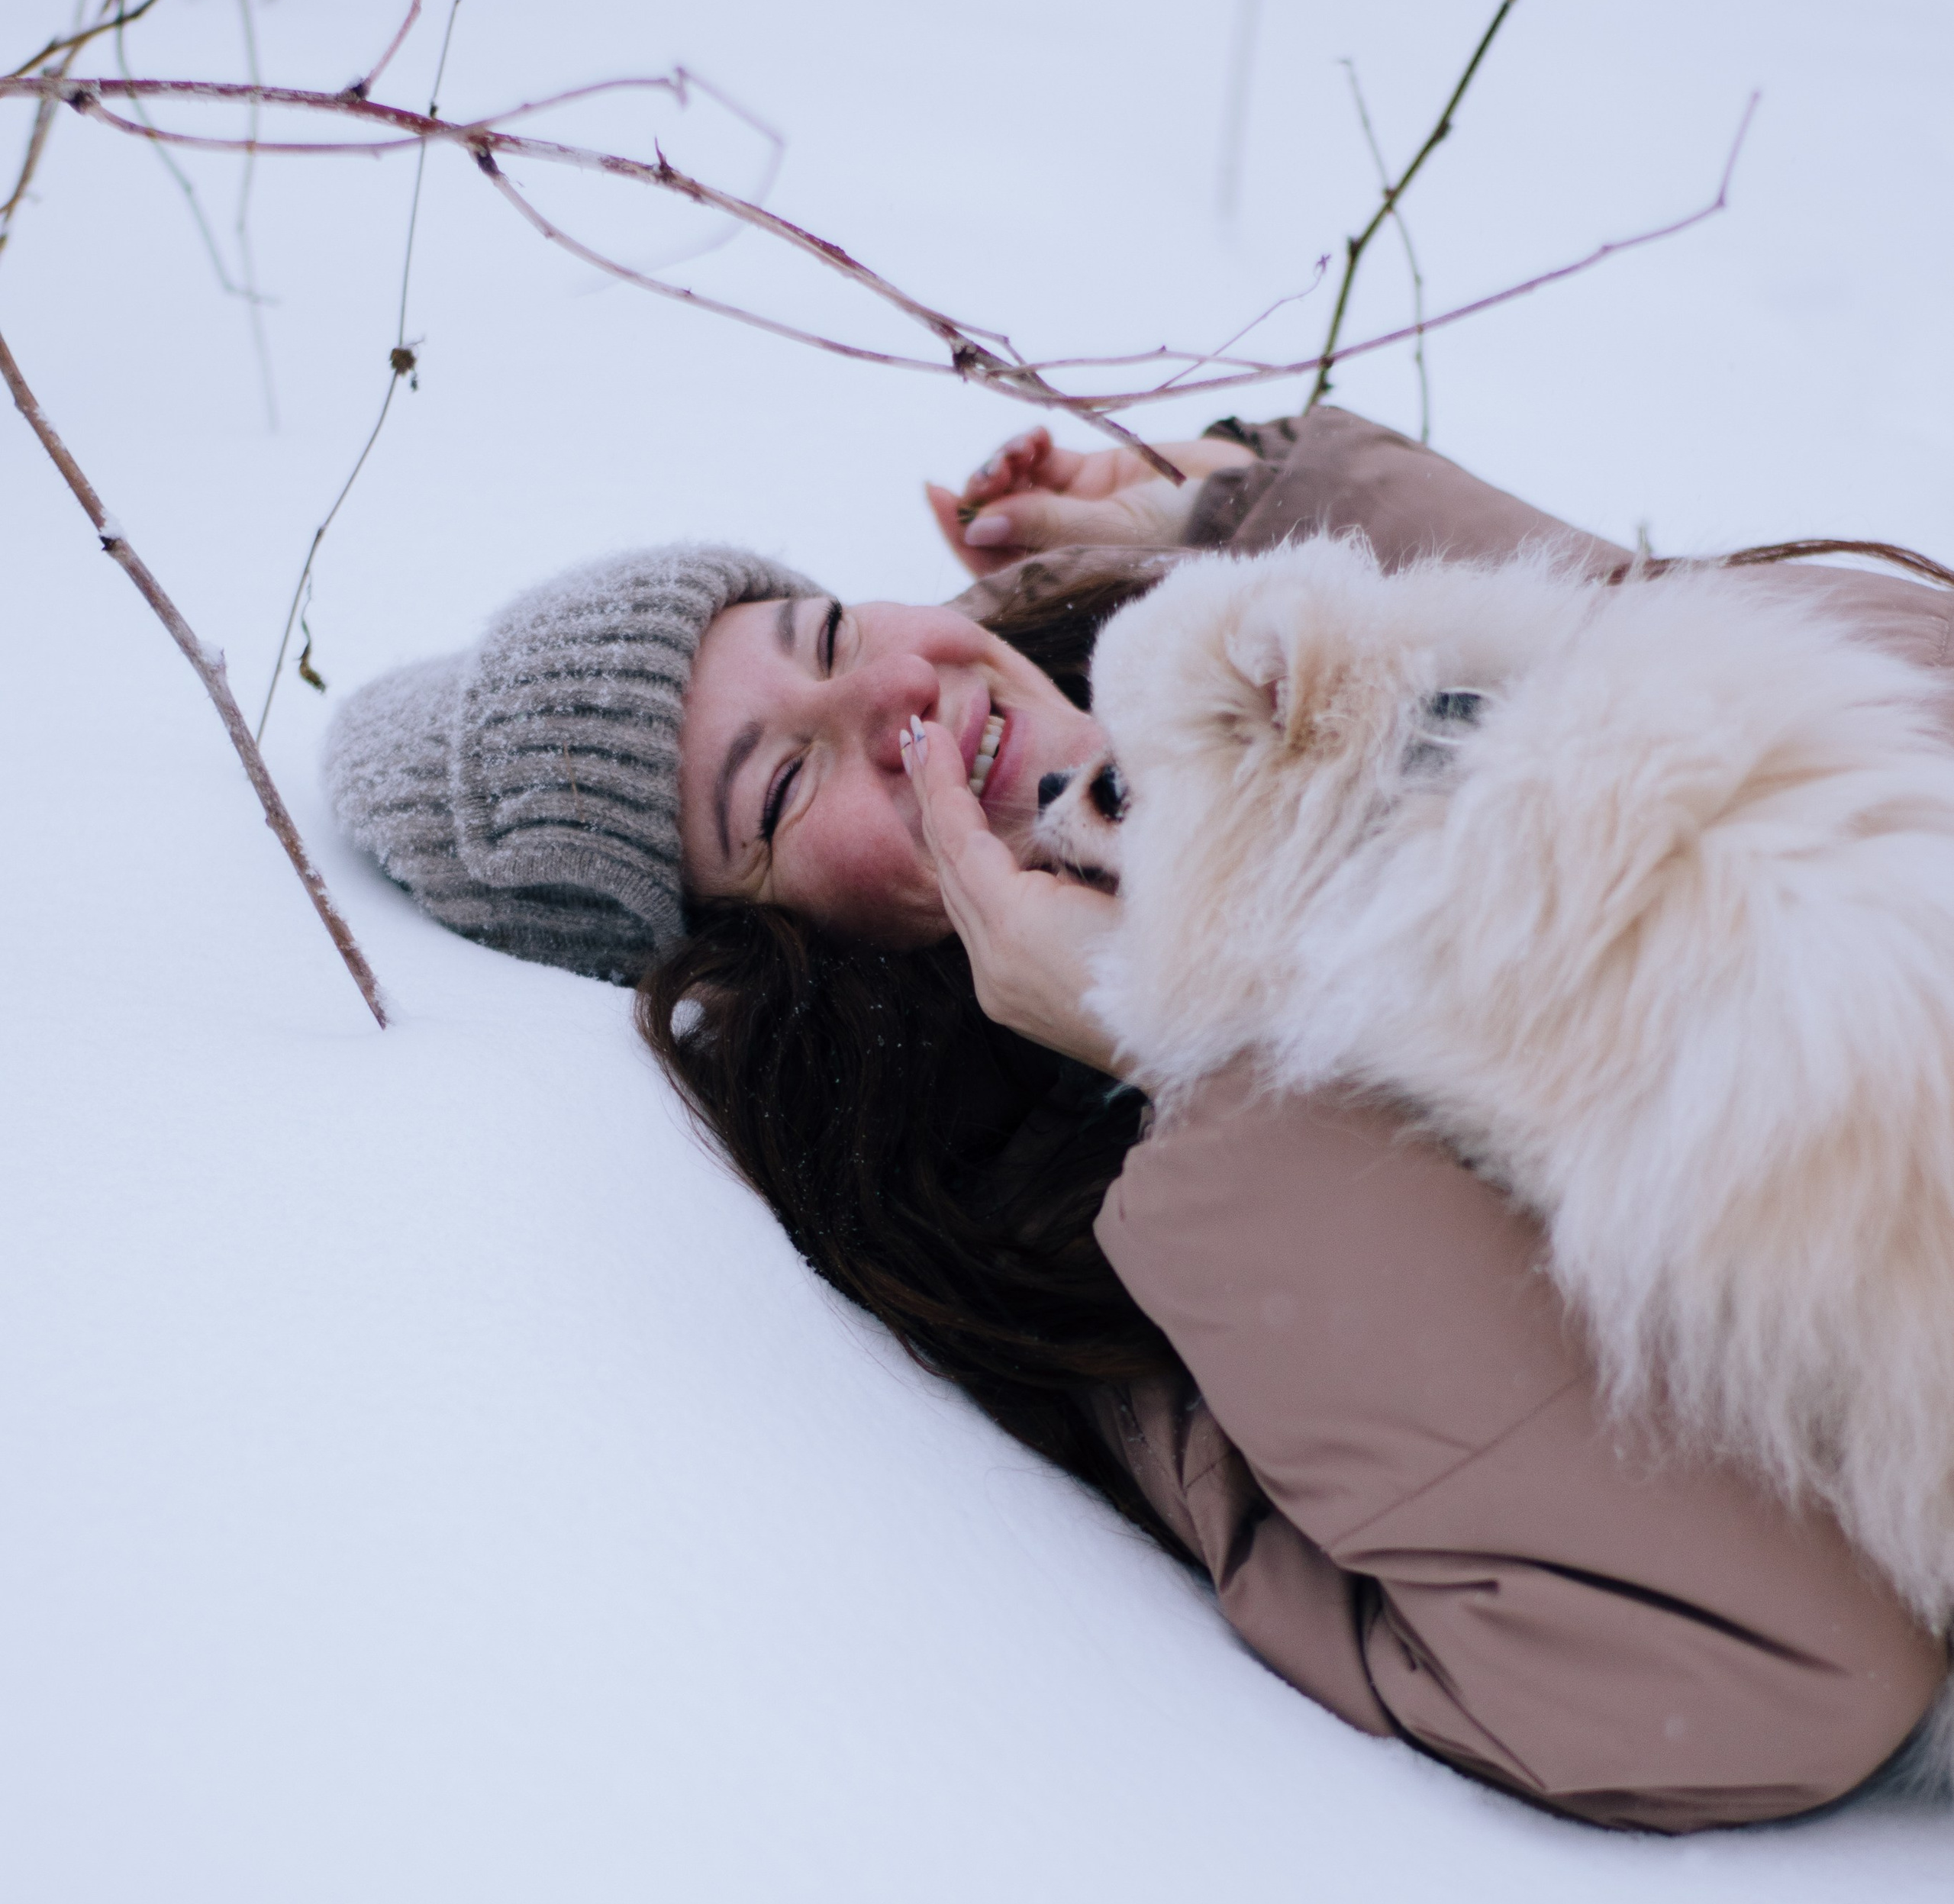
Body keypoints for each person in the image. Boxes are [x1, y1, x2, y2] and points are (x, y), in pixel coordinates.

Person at [325, 404, 1954, 1832]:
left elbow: (1911, 712)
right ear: (775, 963)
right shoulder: (1086, 1249)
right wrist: (1180, 1055)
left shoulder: (1203, 667)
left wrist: (1291, 547)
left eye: (826, 632)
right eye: (784, 785)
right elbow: (1787, 1671)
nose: (900, 694)